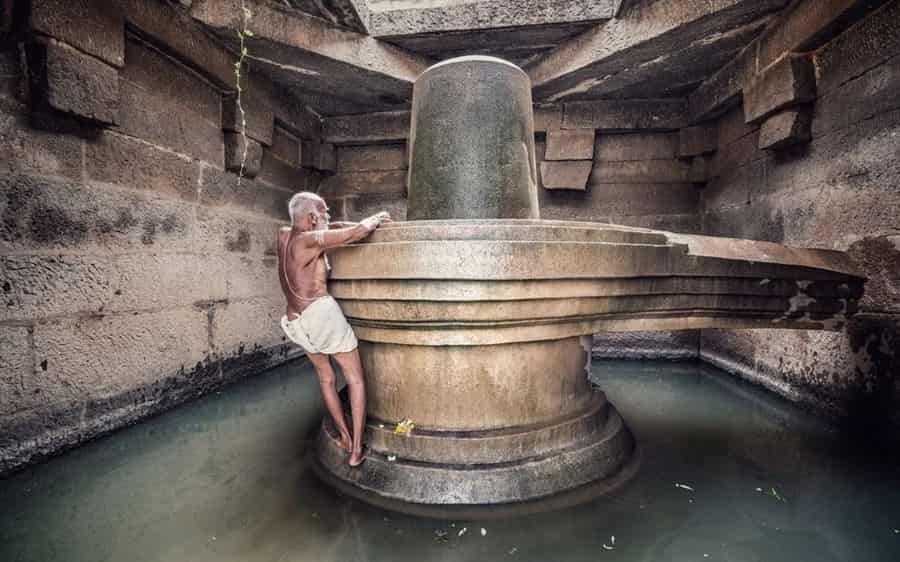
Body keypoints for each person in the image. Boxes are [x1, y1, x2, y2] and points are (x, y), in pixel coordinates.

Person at [277, 192, 390, 467]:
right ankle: (356, 452)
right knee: (355, 379)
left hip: (295, 321)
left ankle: (344, 437)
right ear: (312, 218)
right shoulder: (308, 241)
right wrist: (376, 218)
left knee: (326, 378)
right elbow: (357, 233)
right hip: (320, 315)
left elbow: (326, 231)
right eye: (324, 212)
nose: (328, 215)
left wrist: (331, 225)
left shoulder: (284, 235)